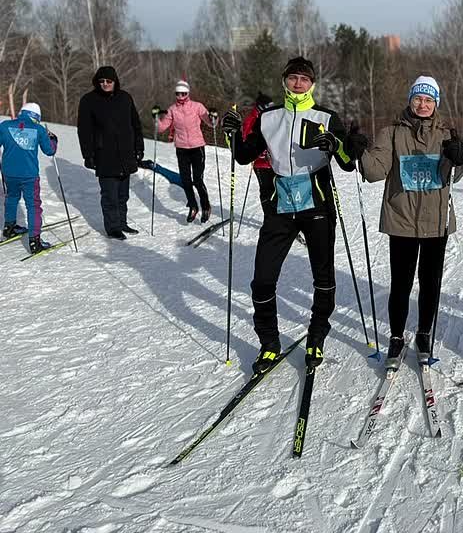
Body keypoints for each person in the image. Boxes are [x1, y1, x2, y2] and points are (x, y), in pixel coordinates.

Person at [221, 56, 369, 373]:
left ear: (312, 83)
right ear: (285, 80)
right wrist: (232, 134)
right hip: (281, 207)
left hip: (316, 204)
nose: (298, 83)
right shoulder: (269, 117)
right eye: (293, 78)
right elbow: (244, 156)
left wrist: (335, 143)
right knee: (261, 281)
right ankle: (270, 344)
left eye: (304, 79)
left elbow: (346, 162)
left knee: (324, 278)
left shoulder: (326, 117)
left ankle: (316, 336)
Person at [359, 76, 463, 368]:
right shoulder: (392, 133)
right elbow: (374, 171)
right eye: (418, 98)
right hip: (402, 219)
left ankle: (423, 332)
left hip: (436, 221)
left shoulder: (446, 134)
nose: (422, 104)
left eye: (429, 100)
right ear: (410, 100)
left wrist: (460, 158)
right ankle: (396, 336)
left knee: (430, 282)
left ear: (436, 103)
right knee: (401, 282)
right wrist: (360, 151)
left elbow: (454, 176)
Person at [77, 66, 144, 240]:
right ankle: (113, 228)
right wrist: (88, 154)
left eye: (108, 81)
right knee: (110, 195)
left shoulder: (125, 98)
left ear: (115, 81)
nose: (105, 84)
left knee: (123, 194)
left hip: (125, 153)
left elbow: (135, 124)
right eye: (101, 81)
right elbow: (84, 130)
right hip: (104, 155)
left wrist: (139, 147)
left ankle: (121, 223)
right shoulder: (89, 100)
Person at [0, 103, 58, 253]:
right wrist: (53, 139)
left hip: (9, 173)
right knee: (33, 205)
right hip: (28, 175)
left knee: (12, 197)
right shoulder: (38, 129)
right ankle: (34, 242)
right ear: (36, 117)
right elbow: (49, 151)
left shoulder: (5, 125)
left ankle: (9, 227)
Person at [154, 80, 214, 223]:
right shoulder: (172, 110)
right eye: (178, 94)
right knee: (186, 180)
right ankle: (193, 206)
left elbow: (211, 123)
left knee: (197, 180)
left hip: (197, 147)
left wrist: (213, 116)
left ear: (188, 93)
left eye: (184, 93)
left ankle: (206, 206)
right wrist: (156, 118)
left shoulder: (197, 107)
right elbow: (161, 128)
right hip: (181, 149)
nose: (181, 96)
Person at [241, 92, 276, 215]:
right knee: (267, 192)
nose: (272, 109)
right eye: (269, 106)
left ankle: (286, 226)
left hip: (276, 162)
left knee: (282, 192)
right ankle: (270, 220)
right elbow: (246, 139)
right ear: (261, 107)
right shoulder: (252, 120)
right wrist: (260, 153)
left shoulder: (271, 117)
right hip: (261, 164)